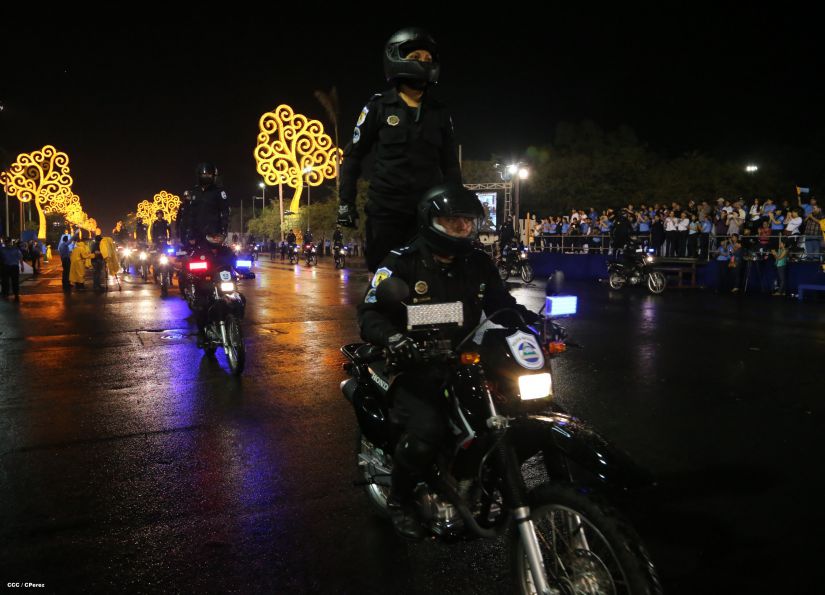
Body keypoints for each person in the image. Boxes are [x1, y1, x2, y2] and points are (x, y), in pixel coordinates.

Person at [357, 184, 541, 539]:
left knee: (510, 412)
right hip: (412, 359)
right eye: (451, 222)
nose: (461, 229)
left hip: (464, 356)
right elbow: (369, 314)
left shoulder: (479, 263)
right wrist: (394, 338)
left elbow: (500, 304)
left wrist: (528, 320)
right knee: (427, 431)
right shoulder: (401, 260)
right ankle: (399, 499)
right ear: (430, 221)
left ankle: (476, 476)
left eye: (467, 222)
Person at [337, 27, 462, 272]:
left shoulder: (441, 113)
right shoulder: (378, 107)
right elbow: (353, 157)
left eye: (428, 59)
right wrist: (345, 203)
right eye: (416, 57)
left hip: (428, 215)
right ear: (396, 58)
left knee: (432, 281)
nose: (424, 63)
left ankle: (426, 314)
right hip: (386, 214)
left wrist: (456, 208)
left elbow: (450, 165)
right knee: (385, 282)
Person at [179, 163, 230, 245]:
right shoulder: (194, 192)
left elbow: (225, 213)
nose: (206, 176)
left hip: (214, 235)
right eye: (203, 174)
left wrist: (223, 232)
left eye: (209, 174)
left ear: (214, 176)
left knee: (225, 256)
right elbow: (191, 214)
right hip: (196, 235)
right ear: (199, 175)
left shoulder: (219, 192)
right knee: (186, 255)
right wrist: (189, 233)